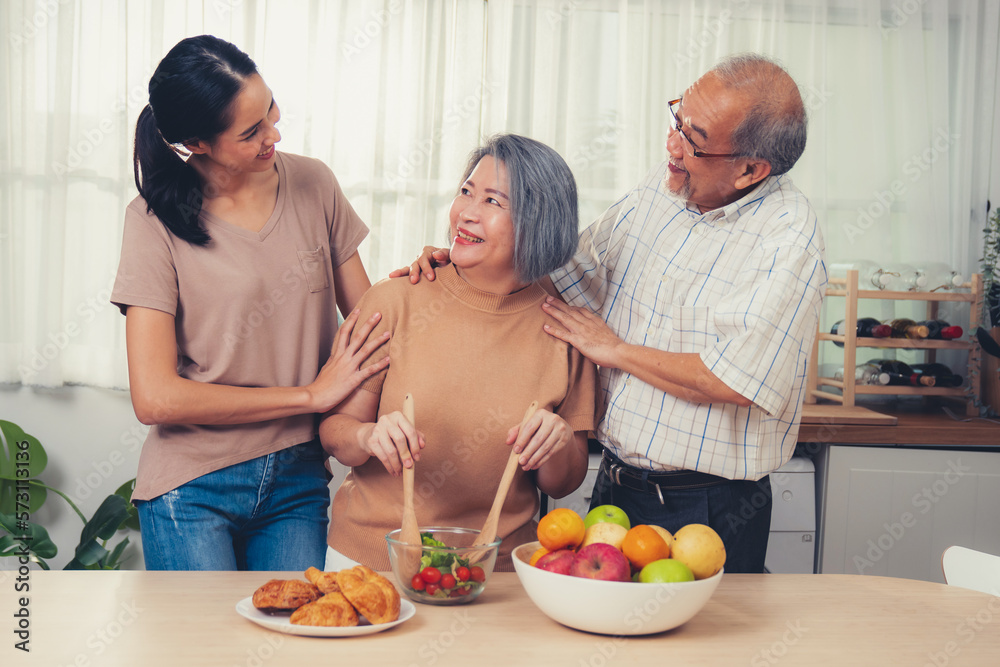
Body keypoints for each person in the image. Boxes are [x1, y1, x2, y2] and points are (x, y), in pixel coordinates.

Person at [397, 54, 827, 573]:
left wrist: (616, 350)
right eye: (677, 119)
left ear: (750, 170)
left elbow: (738, 378)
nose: (672, 146)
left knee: (701, 652)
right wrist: (468, 260)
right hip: (619, 488)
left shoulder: (788, 238)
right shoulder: (668, 187)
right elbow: (569, 267)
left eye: (694, 139)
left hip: (706, 508)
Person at [110, 35, 389, 571]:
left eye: (271, 110)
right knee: (206, 655)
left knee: (287, 650)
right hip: (191, 488)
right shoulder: (150, 222)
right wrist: (309, 397)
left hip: (299, 482)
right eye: (251, 131)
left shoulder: (314, 183)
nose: (274, 134)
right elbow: (156, 398)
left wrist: (434, 276)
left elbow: (371, 323)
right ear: (198, 142)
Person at [319, 133, 597, 572]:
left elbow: (563, 483)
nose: (465, 213)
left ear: (538, 222)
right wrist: (366, 437)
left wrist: (558, 440)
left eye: (492, 201)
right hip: (371, 560)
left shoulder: (565, 331)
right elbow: (336, 434)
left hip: (498, 572)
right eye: (466, 191)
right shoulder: (395, 300)